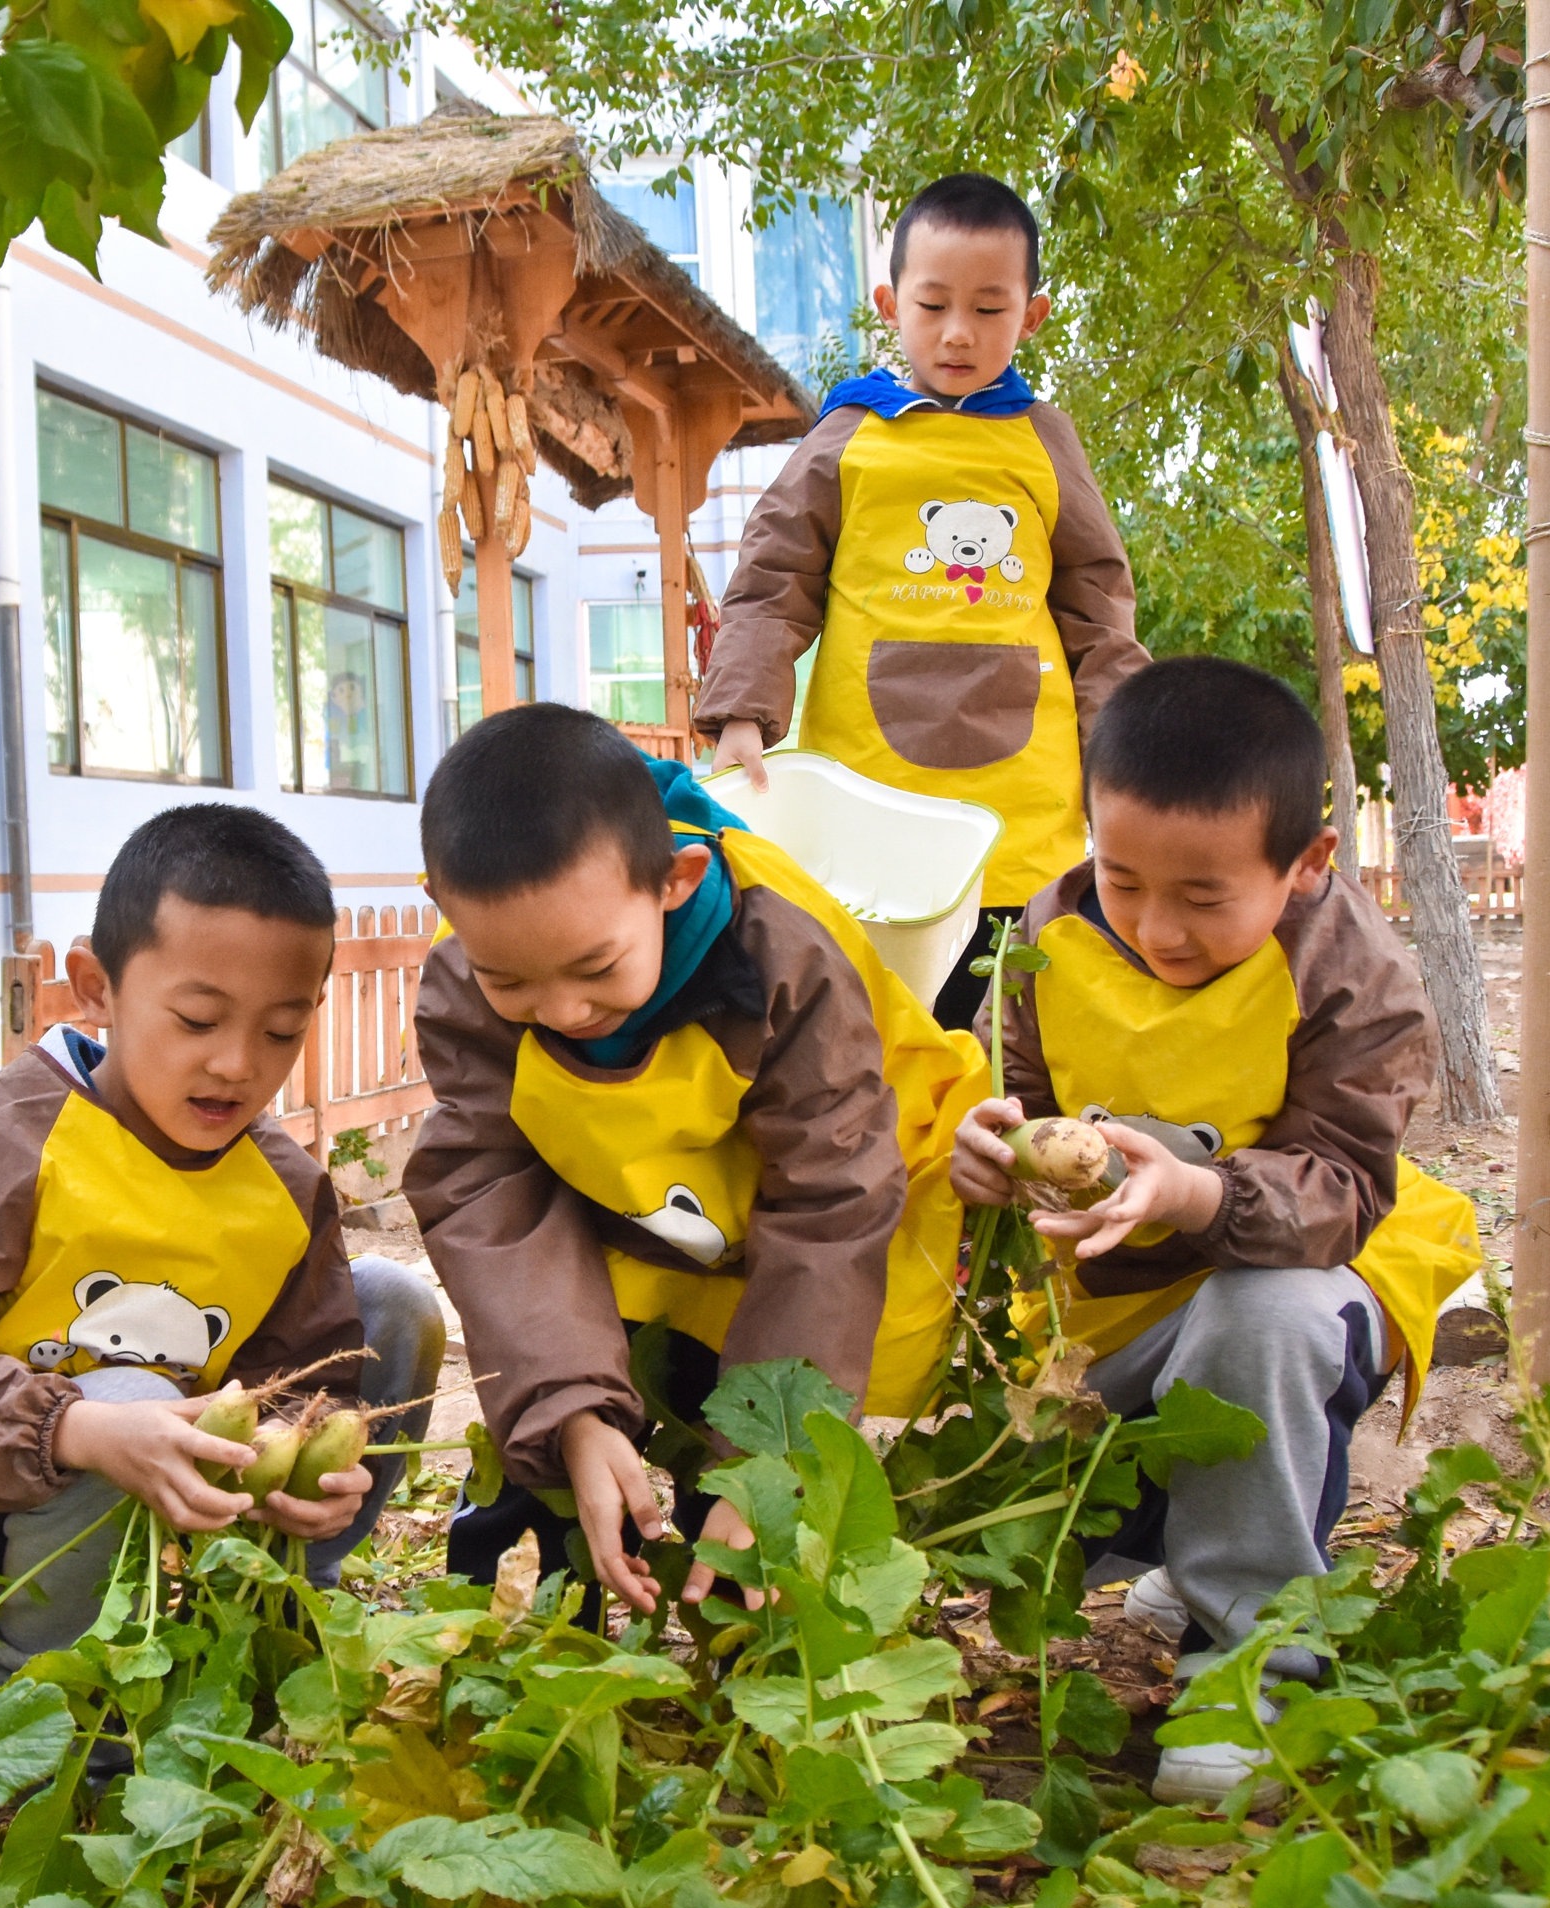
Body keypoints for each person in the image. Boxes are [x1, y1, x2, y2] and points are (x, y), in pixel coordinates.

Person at [949, 656, 1482, 1804]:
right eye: (1124, 877)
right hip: (1113, 1300)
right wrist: (985, 1147)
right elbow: (1007, 1084)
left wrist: (1198, 1194)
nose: (1156, 927)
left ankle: (1251, 1657)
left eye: (1204, 898)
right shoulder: (1045, 935)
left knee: (1261, 1313)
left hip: (1315, 1270)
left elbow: (1343, 1182)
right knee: (988, 1480)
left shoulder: (1354, 974)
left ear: (1305, 866)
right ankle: (1193, 1551)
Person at [0, 804, 444, 1670]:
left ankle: (281, 1596)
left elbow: (310, 1368)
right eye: (197, 1020)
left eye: (282, 1030)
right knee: (127, 1403)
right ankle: (44, 1682)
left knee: (394, 1306)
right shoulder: (9, 1148)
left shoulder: (287, 1188)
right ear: (97, 985)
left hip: (154, 1484)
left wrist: (304, 1459)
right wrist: (77, 1428)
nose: (237, 1063)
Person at [406, 704, 989, 1617]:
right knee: (554, 1452)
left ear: (676, 881)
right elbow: (490, 1190)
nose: (560, 1009)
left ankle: (753, 1659)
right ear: (447, 908)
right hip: (630, 1226)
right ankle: (538, 1645)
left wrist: (766, 1460)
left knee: (758, 1500)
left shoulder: (784, 950)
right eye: (511, 982)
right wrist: (570, 1409)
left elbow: (831, 1199)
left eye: (596, 968)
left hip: (802, 1233)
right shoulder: (461, 977)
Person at [699, 172, 1149, 1033]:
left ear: (1034, 314)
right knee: (875, 1022)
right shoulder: (850, 436)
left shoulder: (1043, 440)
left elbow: (1099, 611)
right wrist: (741, 712)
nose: (957, 333)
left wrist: (1124, 756)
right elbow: (772, 579)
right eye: (933, 303)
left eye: (989, 309)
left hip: (1020, 795)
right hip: (872, 794)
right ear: (889, 301)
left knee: (1011, 1031)